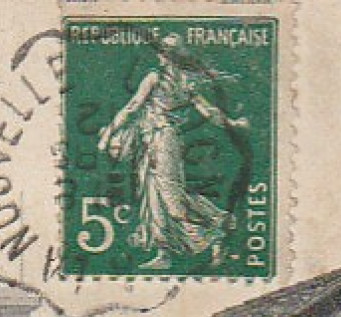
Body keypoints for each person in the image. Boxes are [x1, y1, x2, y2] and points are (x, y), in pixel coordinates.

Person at [96, 32, 246, 271]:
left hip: (160, 139)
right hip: (157, 140)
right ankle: (163, 251)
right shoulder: (186, 81)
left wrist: (107, 134)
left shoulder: (155, 77)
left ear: (164, 55)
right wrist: (232, 123)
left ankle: (217, 228)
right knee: (154, 194)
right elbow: (209, 112)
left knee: (170, 197)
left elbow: (133, 106)